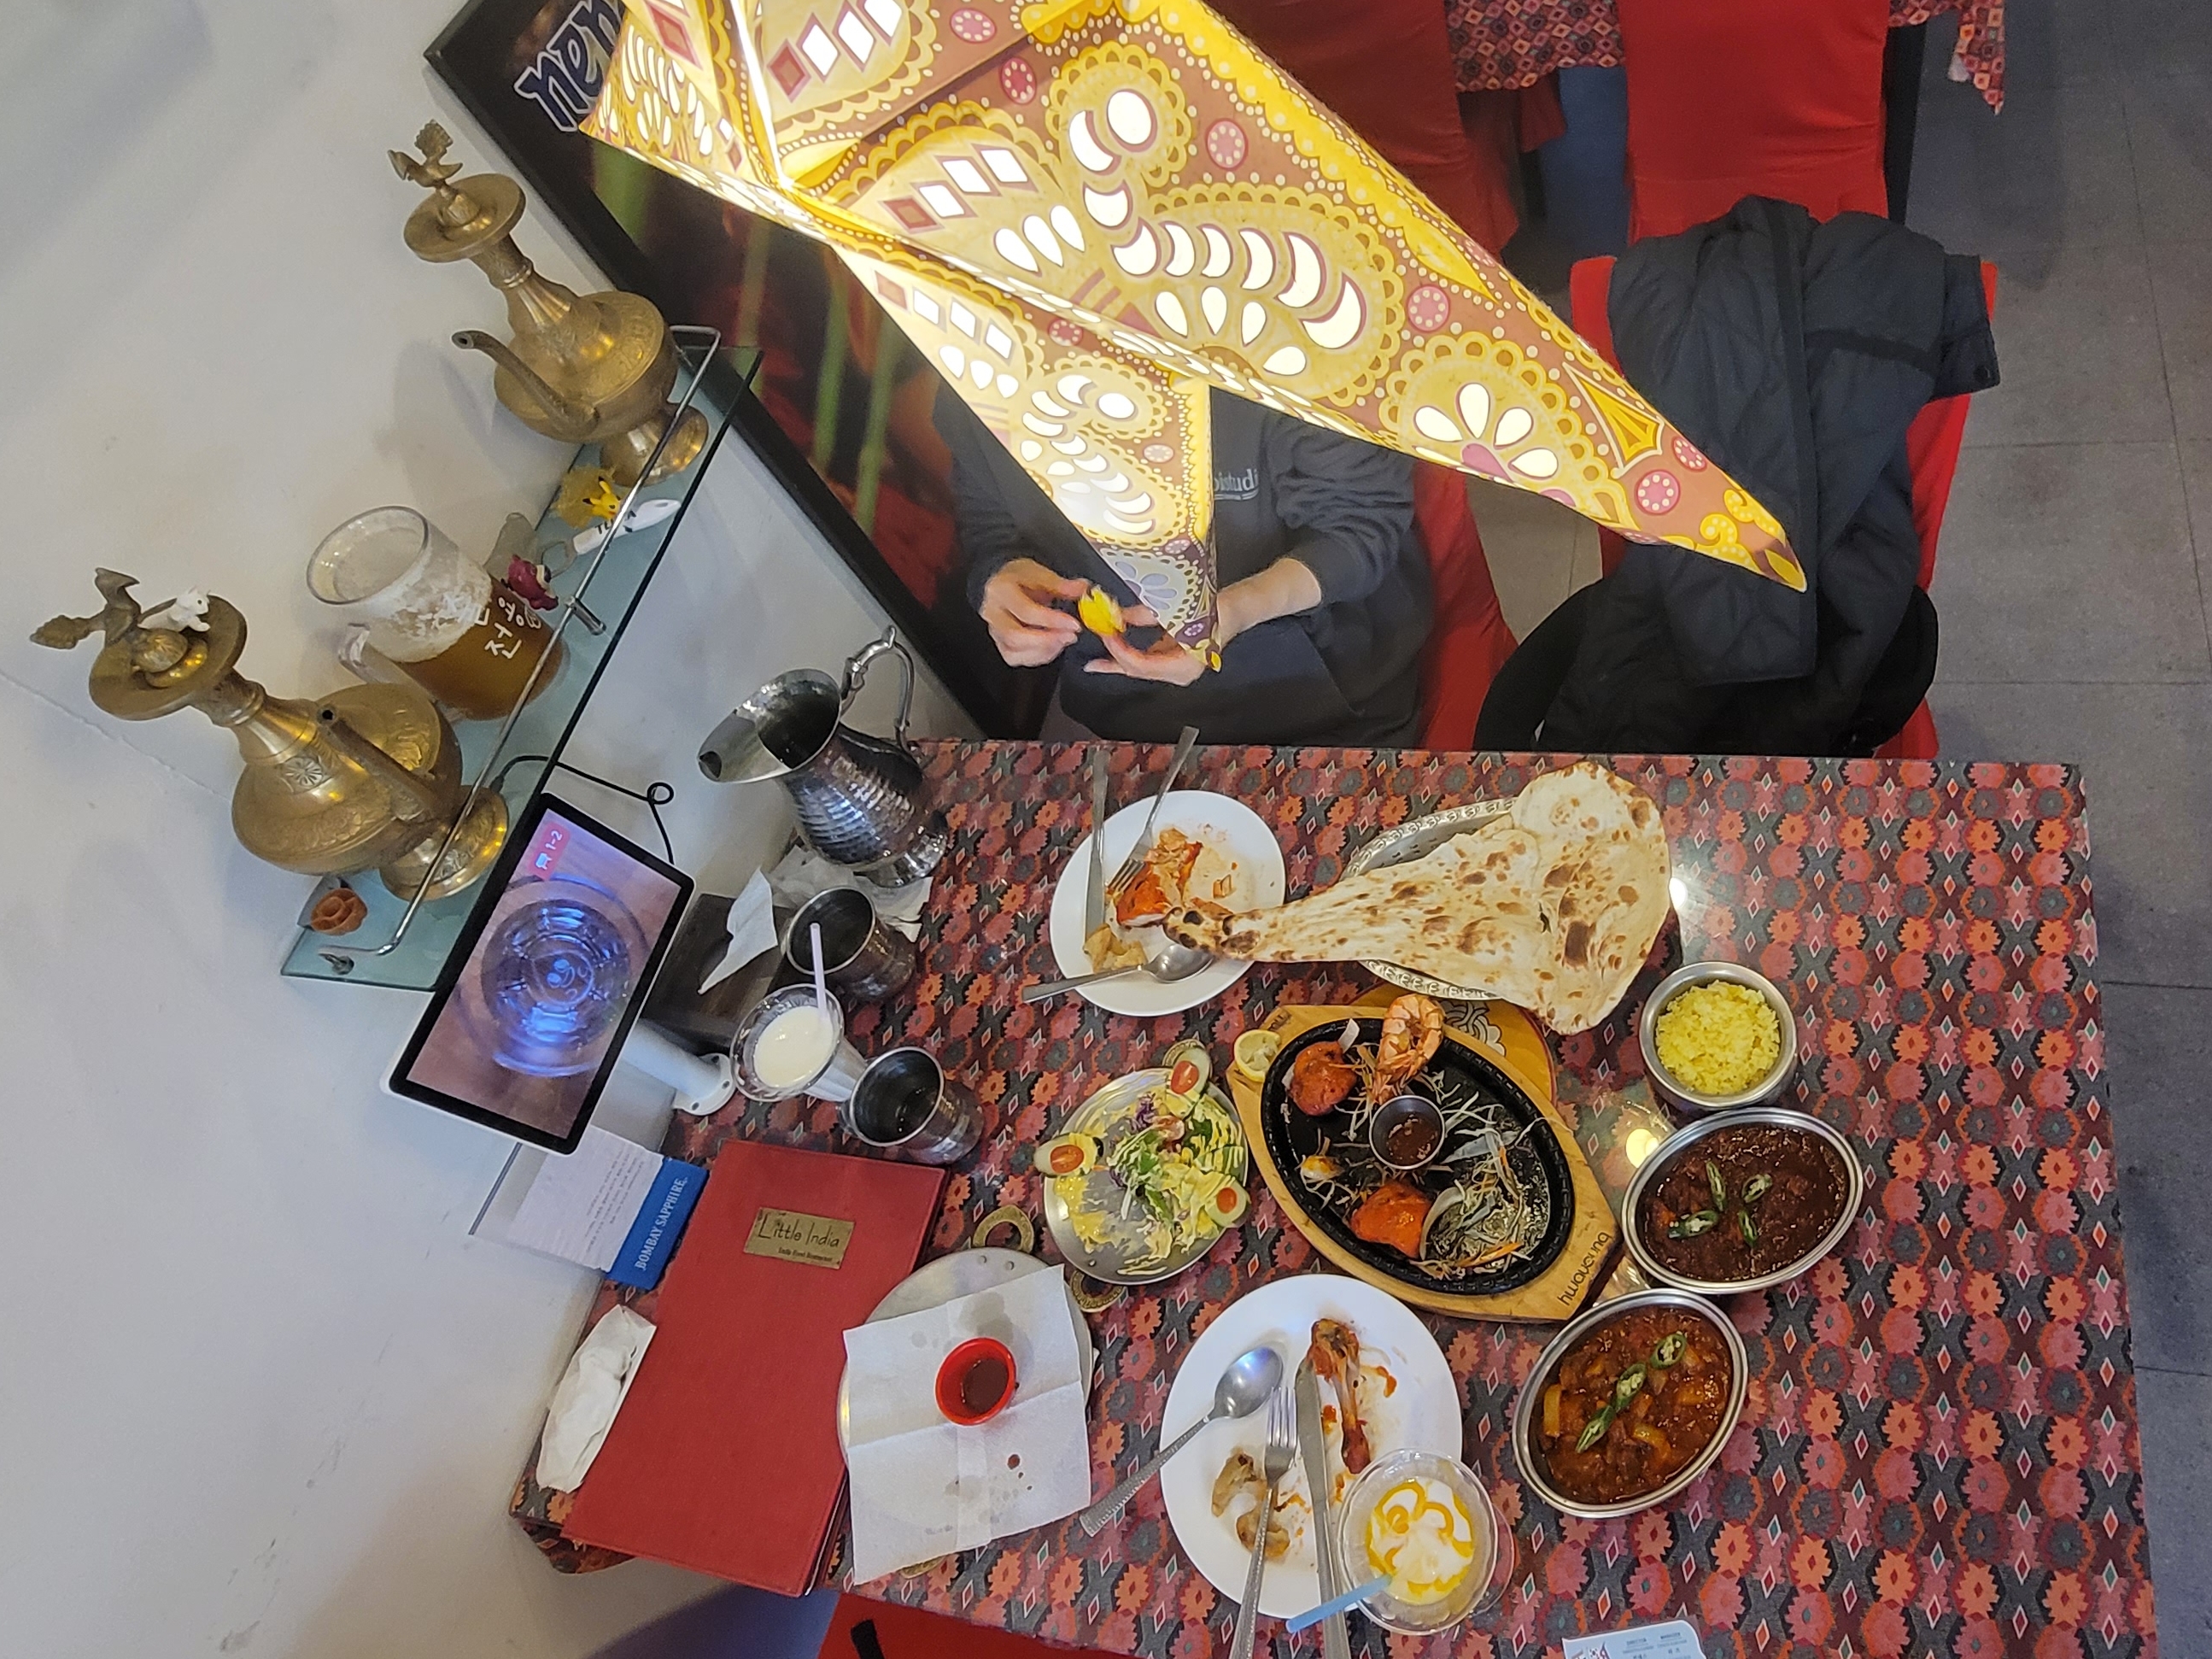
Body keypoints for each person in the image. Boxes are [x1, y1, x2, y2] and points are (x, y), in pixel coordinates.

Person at [939, 387, 1433, 744]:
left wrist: (1232, 611)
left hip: (1322, 693)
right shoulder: (973, 357)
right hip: (1124, 708)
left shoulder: (1288, 335)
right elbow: (989, 523)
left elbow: (1357, 529)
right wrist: (998, 578)